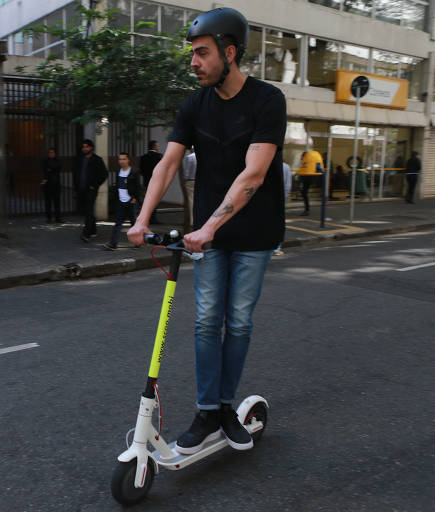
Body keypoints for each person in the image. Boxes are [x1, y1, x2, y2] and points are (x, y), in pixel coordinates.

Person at [127, 7, 286, 454]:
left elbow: (254, 174)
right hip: (208, 235)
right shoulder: (194, 105)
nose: (193, 62)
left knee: (238, 321)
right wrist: (142, 219)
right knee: (206, 321)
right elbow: (167, 165)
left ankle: (226, 407)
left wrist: (210, 225)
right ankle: (206, 412)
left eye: (202, 53)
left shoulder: (267, 100)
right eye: (192, 54)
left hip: (254, 233)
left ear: (229, 53)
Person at [73, 139, 108, 242]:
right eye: (83, 147)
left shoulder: (97, 160)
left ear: (91, 148)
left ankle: (86, 234)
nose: (85, 149)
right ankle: (93, 230)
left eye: (87, 147)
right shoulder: (79, 159)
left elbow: (104, 174)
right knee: (87, 211)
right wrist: (76, 186)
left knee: (88, 210)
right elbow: (75, 173)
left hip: (91, 190)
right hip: (81, 189)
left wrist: (94, 185)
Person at [104, 152, 140, 250]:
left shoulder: (134, 171)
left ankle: (137, 242)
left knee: (134, 223)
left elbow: (137, 186)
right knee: (118, 223)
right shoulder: (118, 171)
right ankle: (113, 244)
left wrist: (134, 198)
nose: (122, 161)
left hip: (131, 201)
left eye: (124, 159)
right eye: (120, 159)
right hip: (120, 201)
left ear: (128, 160)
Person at [139, 140, 163, 224]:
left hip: (146, 181)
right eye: (157, 145)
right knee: (155, 200)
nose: (158, 147)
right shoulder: (159, 156)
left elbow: (141, 170)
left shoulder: (143, 157)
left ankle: (146, 218)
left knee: (147, 200)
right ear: (154, 146)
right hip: (156, 182)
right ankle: (153, 218)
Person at [273, 161, 292, 256]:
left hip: (265, 199)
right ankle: (276, 248)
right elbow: (288, 185)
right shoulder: (286, 167)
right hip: (279, 198)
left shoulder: (264, 163)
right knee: (278, 223)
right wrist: (283, 198)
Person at [297, 149, 324, 216]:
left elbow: (305, 172)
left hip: (307, 179)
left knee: (304, 193)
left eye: (302, 156)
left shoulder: (306, 163)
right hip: (308, 178)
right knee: (304, 193)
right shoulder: (306, 163)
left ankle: (307, 210)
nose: (301, 158)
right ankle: (307, 209)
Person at [41, 147, 63, 223]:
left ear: (55, 153)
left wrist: (51, 169)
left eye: (52, 152)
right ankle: (49, 218)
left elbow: (58, 168)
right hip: (47, 184)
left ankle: (58, 218)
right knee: (48, 202)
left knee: (57, 202)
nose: (51, 154)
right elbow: (45, 170)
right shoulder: (45, 161)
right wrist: (52, 169)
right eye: (50, 152)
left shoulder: (58, 160)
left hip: (56, 184)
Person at [181, 147, 197, 231]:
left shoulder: (189, 157)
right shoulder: (200, 156)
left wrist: (185, 180)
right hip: (198, 180)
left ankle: (192, 221)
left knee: (191, 201)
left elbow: (187, 171)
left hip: (190, 181)